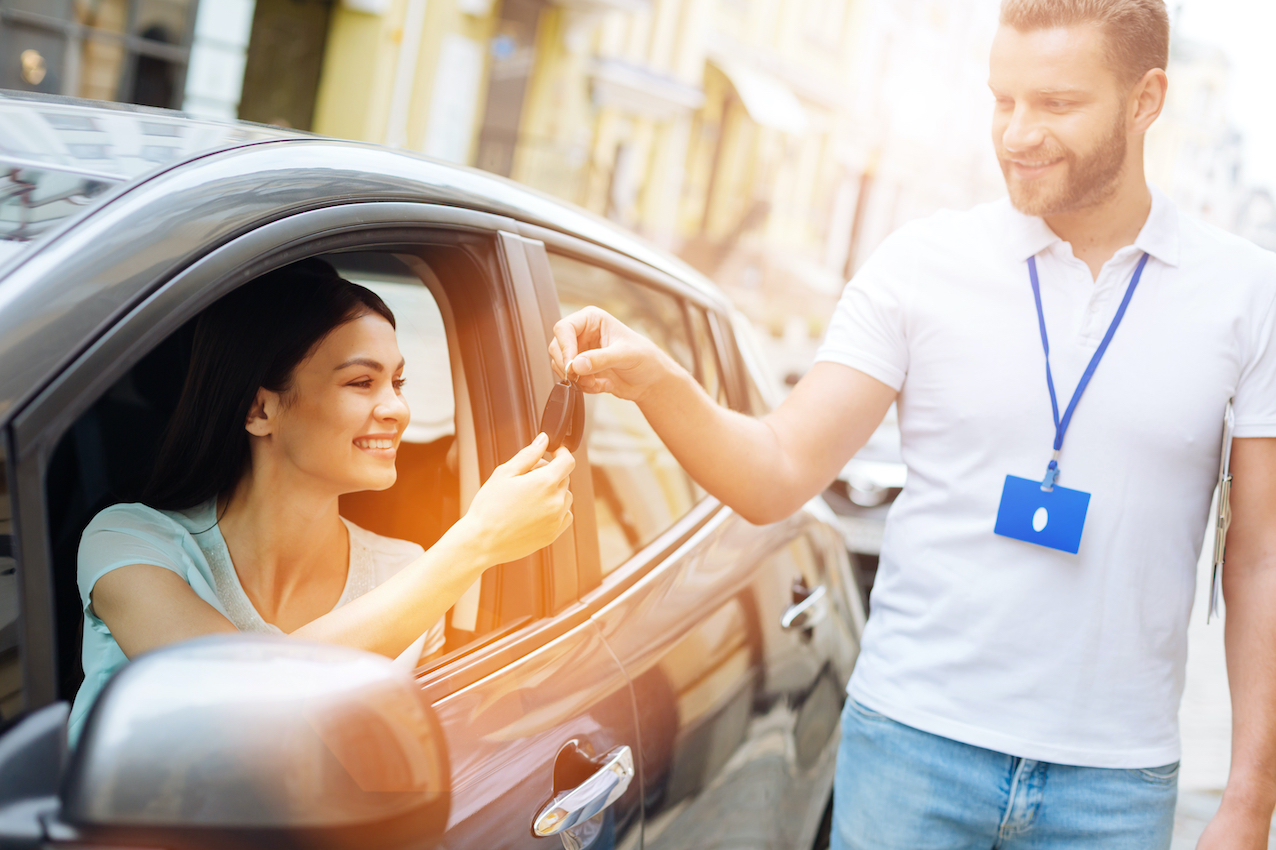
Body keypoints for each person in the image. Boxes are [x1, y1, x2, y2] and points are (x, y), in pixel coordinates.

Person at [550, 1, 1276, 847]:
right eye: (1002, 100)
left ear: (1146, 99)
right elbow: (776, 470)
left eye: (1056, 104)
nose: (1018, 133)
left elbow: (1260, 557)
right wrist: (657, 380)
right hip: (911, 750)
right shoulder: (921, 265)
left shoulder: (1245, 294)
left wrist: (1250, 798)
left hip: (1114, 785)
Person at [70, 258, 574, 743]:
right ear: (259, 409)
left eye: (397, 382)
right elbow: (236, 708)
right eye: (361, 382)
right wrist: (476, 542)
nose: (398, 409)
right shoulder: (128, 543)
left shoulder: (406, 571)